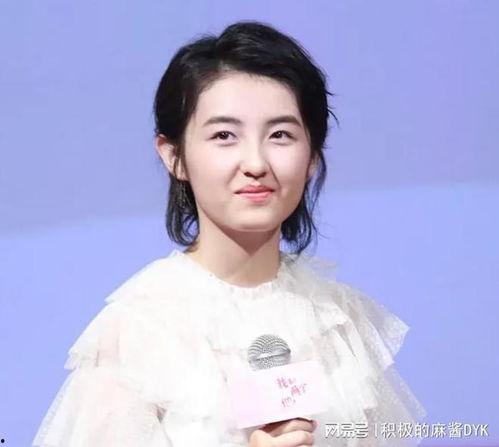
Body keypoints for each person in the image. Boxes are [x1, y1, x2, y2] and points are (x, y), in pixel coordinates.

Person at [32, 20, 427, 447]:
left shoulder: (337, 319)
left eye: (280, 135)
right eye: (224, 135)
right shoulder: (138, 332)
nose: (255, 163)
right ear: (173, 155)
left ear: (312, 156)